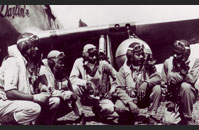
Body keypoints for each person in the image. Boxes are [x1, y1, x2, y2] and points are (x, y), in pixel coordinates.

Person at [0, 33, 50, 125]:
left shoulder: (25, 63)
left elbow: (30, 82)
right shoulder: (13, 62)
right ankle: (3, 122)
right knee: (34, 108)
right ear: (24, 46)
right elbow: (10, 92)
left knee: (50, 102)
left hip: (10, 101)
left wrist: (42, 87)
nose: (37, 49)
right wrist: (35, 97)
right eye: (33, 46)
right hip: (3, 101)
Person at [69, 44, 118, 124]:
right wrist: (87, 83)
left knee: (110, 108)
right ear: (83, 54)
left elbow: (117, 77)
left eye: (95, 55)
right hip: (84, 95)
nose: (94, 58)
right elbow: (72, 79)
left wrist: (112, 91)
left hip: (98, 97)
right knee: (74, 88)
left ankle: (98, 111)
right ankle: (81, 115)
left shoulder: (103, 64)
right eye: (91, 55)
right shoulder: (78, 62)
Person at [115, 41, 162, 124]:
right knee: (119, 107)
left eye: (142, 54)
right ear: (131, 56)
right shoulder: (122, 70)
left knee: (157, 88)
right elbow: (119, 90)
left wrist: (146, 83)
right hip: (131, 100)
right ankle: (130, 116)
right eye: (138, 55)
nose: (141, 57)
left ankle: (150, 116)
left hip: (144, 99)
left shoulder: (148, 66)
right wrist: (129, 102)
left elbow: (158, 77)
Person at [161, 40, 199, 125]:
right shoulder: (168, 62)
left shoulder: (195, 61)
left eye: (178, 54)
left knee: (185, 86)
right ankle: (180, 113)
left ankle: (188, 117)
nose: (175, 55)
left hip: (188, 94)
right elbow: (164, 83)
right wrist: (169, 100)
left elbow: (192, 80)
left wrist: (183, 73)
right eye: (174, 52)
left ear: (186, 53)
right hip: (173, 97)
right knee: (169, 122)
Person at [38, 50, 77, 124]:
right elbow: (50, 91)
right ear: (51, 62)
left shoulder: (52, 70)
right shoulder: (44, 71)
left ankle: (50, 120)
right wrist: (65, 94)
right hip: (41, 101)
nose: (63, 65)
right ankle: (46, 122)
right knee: (57, 100)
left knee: (70, 100)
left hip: (47, 99)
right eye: (60, 63)